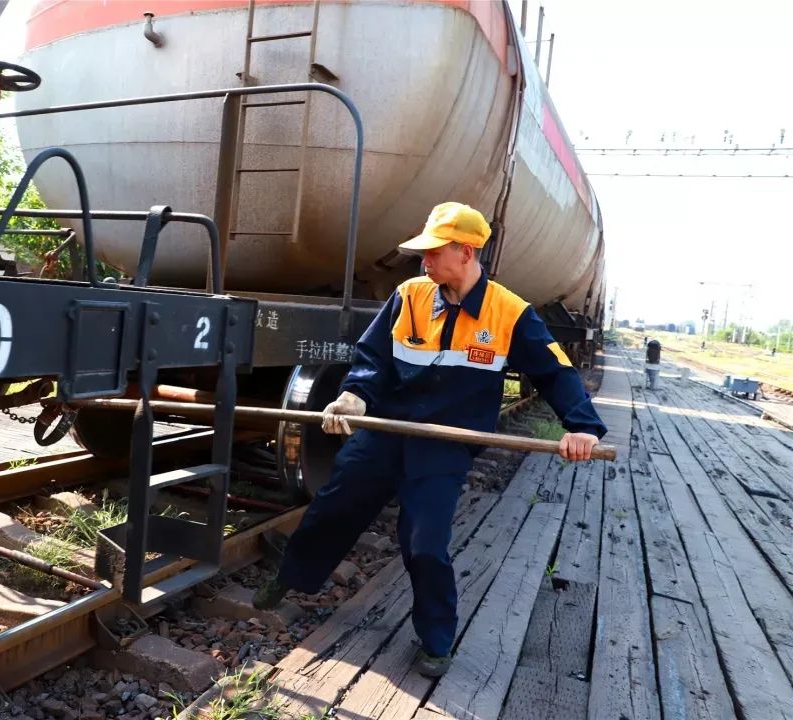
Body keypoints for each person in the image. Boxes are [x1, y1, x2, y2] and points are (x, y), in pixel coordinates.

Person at [253, 202, 607, 678]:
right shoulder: (411, 295)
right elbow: (372, 357)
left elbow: (555, 371)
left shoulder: (509, 313)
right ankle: (291, 578)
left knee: (426, 543)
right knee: (334, 506)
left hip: (444, 444)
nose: (424, 261)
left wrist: (581, 426)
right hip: (387, 430)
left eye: (433, 252)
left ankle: (437, 640)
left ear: (464, 252)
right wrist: (354, 396)